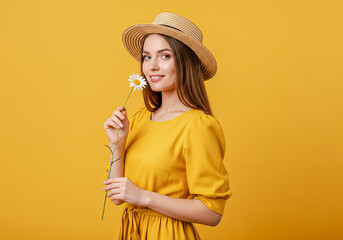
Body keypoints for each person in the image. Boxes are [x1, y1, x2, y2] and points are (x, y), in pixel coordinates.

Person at [102, 12, 232, 240]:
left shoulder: (199, 126)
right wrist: (118, 143)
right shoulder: (140, 118)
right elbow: (117, 197)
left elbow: (212, 213)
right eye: (146, 57)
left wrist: (144, 197)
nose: (151, 66)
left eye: (164, 56)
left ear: (185, 62)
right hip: (131, 232)